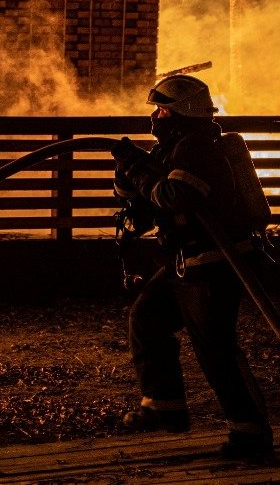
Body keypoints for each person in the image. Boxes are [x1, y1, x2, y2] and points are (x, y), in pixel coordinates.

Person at [112, 74, 274, 460]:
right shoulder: (173, 146)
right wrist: (127, 170)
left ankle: (250, 434)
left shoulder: (199, 148)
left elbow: (176, 196)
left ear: (182, 112)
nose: (155, 116)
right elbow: (144, 198)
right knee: (147, 319)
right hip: (184, 264)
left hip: (214, 266)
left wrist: (137, 170)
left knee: (216, 350)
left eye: (162, 109)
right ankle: (164, 406)